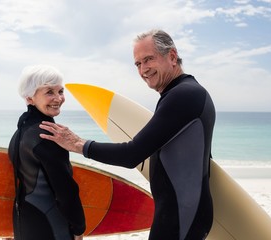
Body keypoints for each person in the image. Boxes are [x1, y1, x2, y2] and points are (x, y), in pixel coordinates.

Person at [40, 29, 215, 240]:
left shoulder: (184, 95)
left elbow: (131, 155)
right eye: (138, 64)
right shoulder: (186, 93)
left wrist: (78, 144)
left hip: (181, 215)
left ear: (172, 56)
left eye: (148, 59)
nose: (143, 70)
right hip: (184, 211)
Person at [8, 65, 86, 240]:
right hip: (51, 223)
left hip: (25, 219)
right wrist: (79, 227)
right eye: (49, 92)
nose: (58, 98)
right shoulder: (49, 134)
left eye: (61, 91)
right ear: (30, 97)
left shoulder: (20, 132)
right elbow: (64, 188)